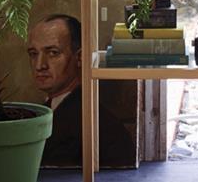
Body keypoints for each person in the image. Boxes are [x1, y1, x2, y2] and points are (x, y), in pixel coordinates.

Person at [27, 14, 135, 168]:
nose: (40, 65)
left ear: (79, 57)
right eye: (33, 54)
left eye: (53, 53)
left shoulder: (102, 128)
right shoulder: (42, 112)